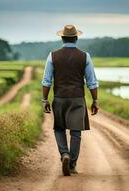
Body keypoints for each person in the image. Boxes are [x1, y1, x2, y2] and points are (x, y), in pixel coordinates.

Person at [41, 24, 99, 176]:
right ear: (76, 38)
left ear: (62, 38)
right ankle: (72, 164)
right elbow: (92, 82)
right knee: (75, 132)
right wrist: (95, 101)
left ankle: (64, 154)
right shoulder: (85, 56)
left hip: (59, 97)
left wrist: (44, 100)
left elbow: (46, 81)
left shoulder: (52, 56)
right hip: (77, 98)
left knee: (59, 128)